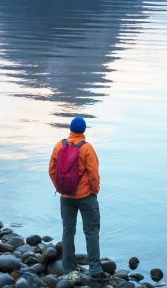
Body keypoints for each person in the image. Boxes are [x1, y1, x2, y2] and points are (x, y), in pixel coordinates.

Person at [48, 116, 102, 276]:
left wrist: (59, 187)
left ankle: (68, 267)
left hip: (65, 196)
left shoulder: (59, 145)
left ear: (70, 129)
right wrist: (94, 191)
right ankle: (95, 269)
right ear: (84, 130)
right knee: (91, 231)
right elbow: (93, 174)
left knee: (68, 230)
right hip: (85, 196)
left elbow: (51, 169)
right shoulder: (87, 148)